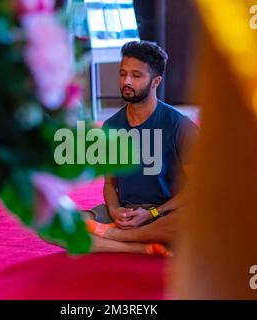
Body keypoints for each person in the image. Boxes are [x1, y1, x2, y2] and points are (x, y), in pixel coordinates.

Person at [83, 41, 199, 257]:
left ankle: (114, 238)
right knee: (56, 226)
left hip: (165, 213)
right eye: (123, 73)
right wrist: (115, 211)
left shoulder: (179, 125)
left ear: (156, 81)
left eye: (136, 75)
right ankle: (139, 247)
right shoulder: (111, 126)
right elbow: (110, 183)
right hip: (125, 214)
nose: (126, 81)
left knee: (188, 222)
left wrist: (153, 212)